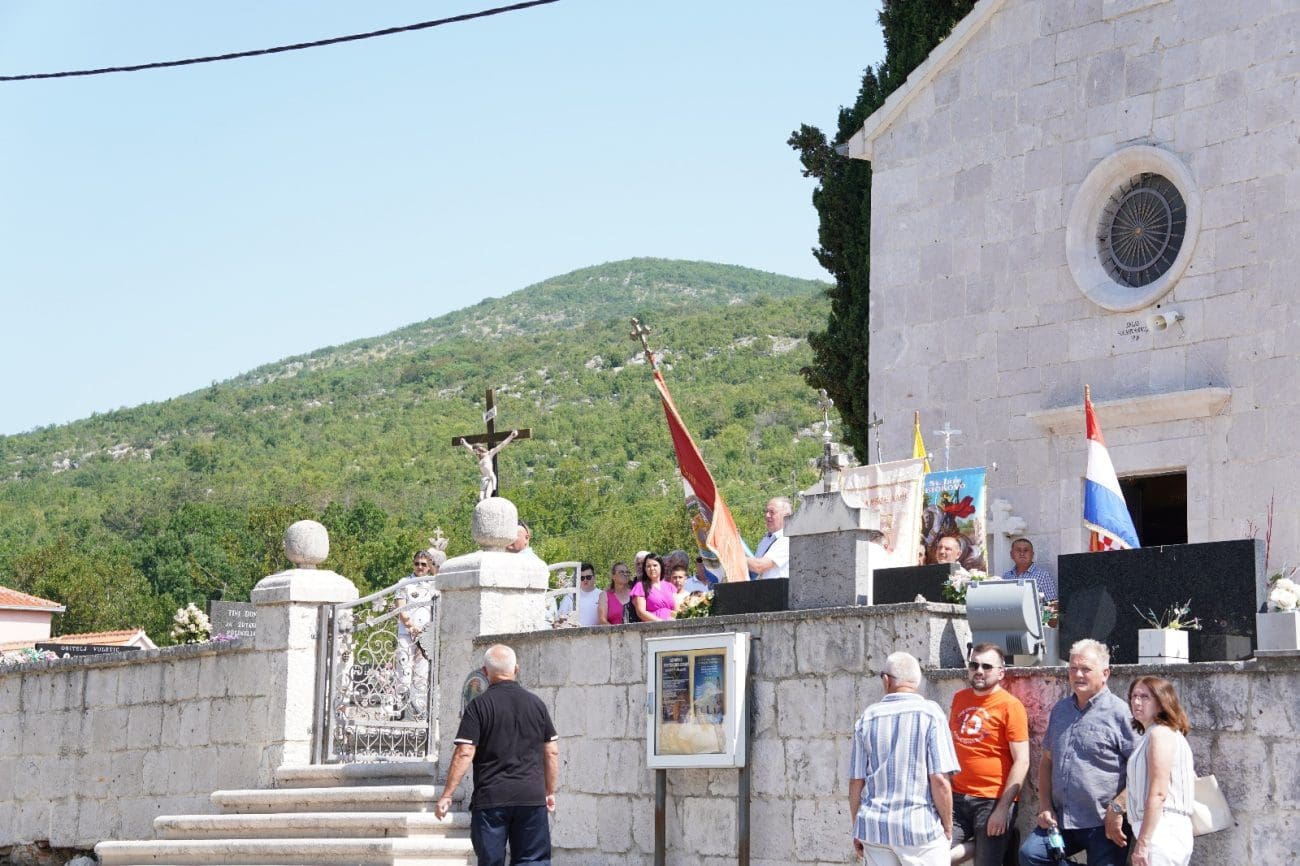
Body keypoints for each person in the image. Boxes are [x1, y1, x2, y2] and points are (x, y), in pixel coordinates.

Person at [435, 644, 559, 866]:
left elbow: (464, 752)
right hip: (531, 798)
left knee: (490, 861)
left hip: (491, 800)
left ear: (485, 672)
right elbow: (551, 751)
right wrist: (549, 791)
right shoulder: (537, 705)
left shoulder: (478, 706)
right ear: (516, 669)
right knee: (533, 861)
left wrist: (447, 794)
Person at [1019, 639, 1137, 866]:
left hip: (1104, 822)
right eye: (1073, 668)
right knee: (1031, 855)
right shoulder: (1061, 710)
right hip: (1062, 820)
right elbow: (1047, 761)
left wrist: (1117, 808)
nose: (1078, 675)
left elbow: (1142, 771)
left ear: (1105, 674)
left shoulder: (1121, 714)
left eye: (1086, 669)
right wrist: (1045, 806)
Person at [849, 651, 960, 866]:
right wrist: (947, 827)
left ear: (886, 680)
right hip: (919, 829)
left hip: (875, 829)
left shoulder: (867, 718)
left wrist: (858, 828)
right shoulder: (930, 714)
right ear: (916, 682)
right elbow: (939, 779)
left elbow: (856, 781)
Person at [949, 644, 1029, 866]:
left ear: (1001, 673)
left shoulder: (1010, 706)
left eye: (986, 666)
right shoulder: (959, 698)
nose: (979, 671)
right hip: (957, 798)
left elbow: (1022, 760)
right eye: (974, 665)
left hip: (992, 800)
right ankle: (995, 843)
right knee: (932, 856)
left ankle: (998, 841)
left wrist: (1003, 809)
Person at [1122, 677, 1196, 866]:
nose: (1136, 702)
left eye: (1145, 697)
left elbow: (1159, 793)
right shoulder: (1155, 734)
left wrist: (1143, 843)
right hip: (1160, 829)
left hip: (1162, 829)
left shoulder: (1160, 733)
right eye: (1134, 696)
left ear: (1162, 702)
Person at [394, 550, 437, 719]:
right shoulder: (404, 582)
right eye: (417, 563)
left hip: (426, 635)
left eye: (424, 564)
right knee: (403, 670)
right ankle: (400, 709)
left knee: (422, 674)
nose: (420, 567)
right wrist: (411, 627)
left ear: (429, 566)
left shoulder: (434, 583)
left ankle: (419, 711)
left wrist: (424, 631)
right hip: (406, 633)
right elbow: (401, 608)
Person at [459, 429, 519, 501]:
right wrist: (464, 443)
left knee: (487, 496)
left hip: (490, 478)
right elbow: (470, 448)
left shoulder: (489, 454)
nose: (475, 453)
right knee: (481, 498)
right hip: (484, 479)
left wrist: (511, 436)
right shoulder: (479, 457)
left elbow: (501, 445)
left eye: (476, 451)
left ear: (479, 449)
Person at [747, 497, 793, 579]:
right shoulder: (765, 540)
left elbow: (759, 566)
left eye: (772, 512)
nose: (767, 515)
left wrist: (735, 557)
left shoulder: (787, 540)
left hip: (778, 587)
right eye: (766, 511)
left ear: (786, 516)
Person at [630, 553, 676, 621]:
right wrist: (661, 622)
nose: (652, 568)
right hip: (653, 625)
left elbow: (677, 609)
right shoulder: (640, 586)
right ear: (645, 569)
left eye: (655, 565)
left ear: (661, 566)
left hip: (673, 624)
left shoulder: (670, 586)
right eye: (648, 566)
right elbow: (641, 612)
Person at [557, 562, 601, 627]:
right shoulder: (570, 596)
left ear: (594, 577)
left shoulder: (603, 595)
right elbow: (560, 619)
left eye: (588, 577)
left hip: (598, 632)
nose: (585, 580)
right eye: (582, 578)